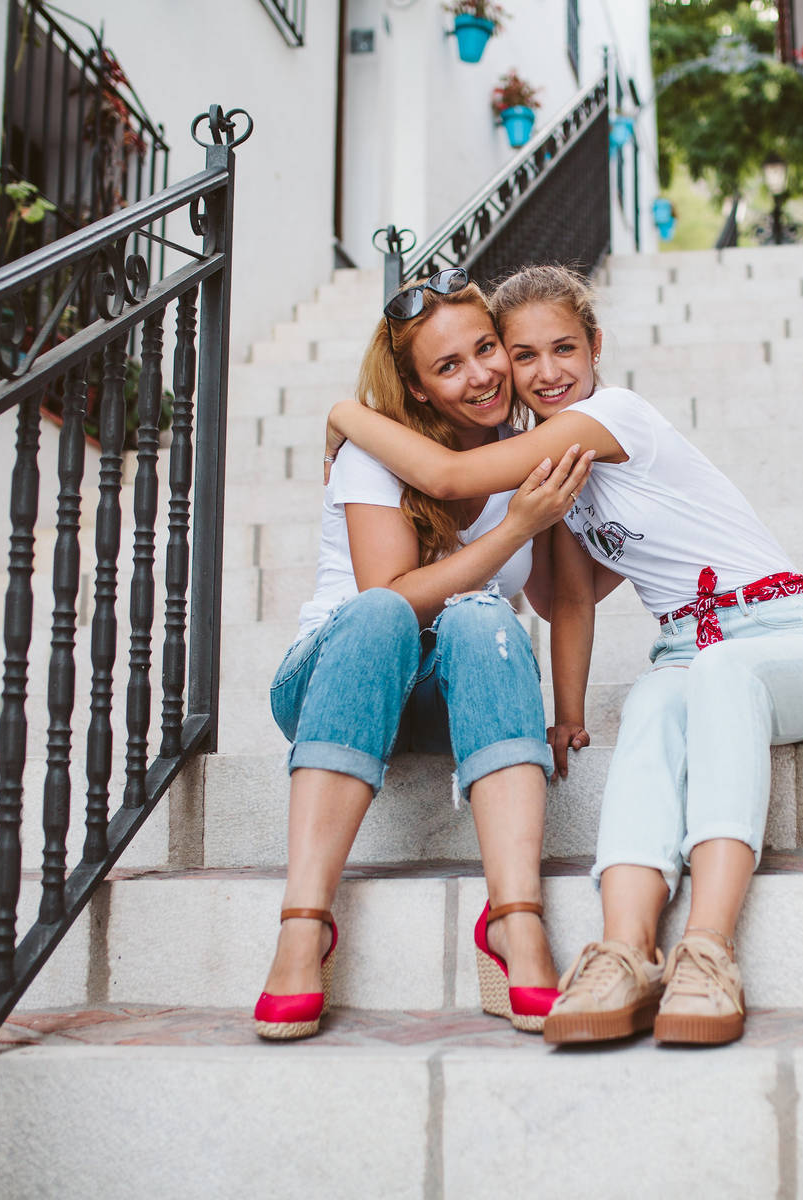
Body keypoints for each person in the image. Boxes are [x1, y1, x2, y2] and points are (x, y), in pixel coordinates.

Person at [326, 264, 803, 1047]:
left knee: (716, 672)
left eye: (563, 349)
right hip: (687, 650)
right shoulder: (553, 467)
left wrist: (347, 411)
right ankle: (626, 951)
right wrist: (569, 715)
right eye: (525, 355)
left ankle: (708, 948)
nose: (546, 373)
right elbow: (565, 600)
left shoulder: (612, 416)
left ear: (595, 346)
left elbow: (445, 473)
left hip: (787, 638)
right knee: (649, 704)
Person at [256, 268, 594, 1039]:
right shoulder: (374, 453)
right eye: (449, 366)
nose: (481, 375)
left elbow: (560, 598)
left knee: (483, 620)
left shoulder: (528, 455)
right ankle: (303, 925)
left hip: (458, 698)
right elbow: (394, 598)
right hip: (334, 681)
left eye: (486, 349)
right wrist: (513, 530)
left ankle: (515, 918)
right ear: (414, 390)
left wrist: (568, 713)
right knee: (382, 612)